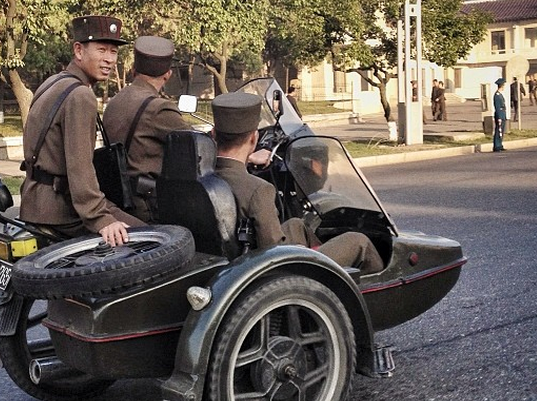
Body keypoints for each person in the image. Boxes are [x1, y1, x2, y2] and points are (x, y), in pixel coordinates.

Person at [211, 92, 383, 275]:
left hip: (231, 260)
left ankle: (326, 268)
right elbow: (273, 254)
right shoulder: (257, 190)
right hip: (270, 271)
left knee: (296, 225)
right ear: (254, 139)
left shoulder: (202, 178)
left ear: (214, 134)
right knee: (358, 241)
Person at [20, 14, 144, 246]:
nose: (109, 59)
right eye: (101, 50)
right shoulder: (81, 95)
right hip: (60, 210)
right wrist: (101, 219)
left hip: (35, 202)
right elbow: (80, 166)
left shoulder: (53, 82)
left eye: (113, 52)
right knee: (149, 239)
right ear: (79, 51)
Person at [103, 36, 190, 223]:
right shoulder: (159, 108)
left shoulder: (115, 102)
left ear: (134, 70)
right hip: (146, 206)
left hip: (118, 198)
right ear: (168, 75)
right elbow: (196, 147)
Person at [493, 78, 507, 152]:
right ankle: (497, 146)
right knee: (499, 130)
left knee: (501, 131)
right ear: (501, 86)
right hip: (500, 115)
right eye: (503, 85)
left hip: (502, 114)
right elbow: (498, 107)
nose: (504, 87)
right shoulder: (497, 95)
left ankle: (500, 145)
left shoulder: (500, 95)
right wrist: (499, 117)